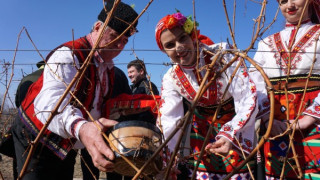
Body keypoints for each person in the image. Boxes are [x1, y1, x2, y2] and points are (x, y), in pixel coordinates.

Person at [11, 1, 138, 180]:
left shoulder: (108, 67)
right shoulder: (68, 55)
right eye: (115, 36)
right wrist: (83, 128)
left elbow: (95, 105)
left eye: (124, 41)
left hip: (66, 141)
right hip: (35, 137)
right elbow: (49, 104)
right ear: (97, 27)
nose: (119, 46)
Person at [155, 11, 259, 179]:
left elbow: (246, 96)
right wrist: (167, 160)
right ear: (164, 51)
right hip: (201, 136)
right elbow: (168, 120)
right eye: (170, 45)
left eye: (182, 38)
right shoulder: (171, 78)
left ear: (193, 36)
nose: (179, 47)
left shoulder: (222, 55)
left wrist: (231, 134)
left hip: (234, 129)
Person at [251, 0, 320, 179]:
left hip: (314, 122)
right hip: (275, 124)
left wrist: (309, 118)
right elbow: (255, 83)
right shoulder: (266, 43)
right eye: (282, 1)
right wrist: (268, 117)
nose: (289, 5)